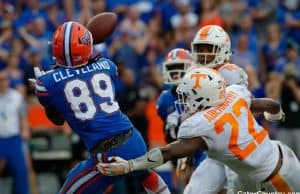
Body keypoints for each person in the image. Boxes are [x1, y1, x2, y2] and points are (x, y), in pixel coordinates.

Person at [97, 67, 300, 193]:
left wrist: (130, 165)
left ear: (204, 97)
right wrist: (276, 114)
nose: (185, 103)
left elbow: (167, 152)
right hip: (279, 155)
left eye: (189, 97)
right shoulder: (233, 93)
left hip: (273, 179)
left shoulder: (202, 125)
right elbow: (267, 104)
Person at [30, 21, 170, 194]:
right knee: (144, 174)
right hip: (133, 138)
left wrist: (43, 93)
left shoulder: (46, 83)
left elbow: (57, 119)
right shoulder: (108, 65)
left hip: (106, 153)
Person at [156, 48, 206, 190]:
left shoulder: (202, 90)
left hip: (204, 147)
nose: (176, 72)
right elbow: (169, 136)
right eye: (172, 68)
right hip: (181, 149)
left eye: (179, 67)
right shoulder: (165, 99)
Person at [0, 68, 29, 194]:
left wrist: (25, 130)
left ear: (8, 81)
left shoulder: (16, 96)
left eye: (4, 80)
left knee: (21, 170)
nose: (2, 82)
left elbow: (22, 115)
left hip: (13, 137)